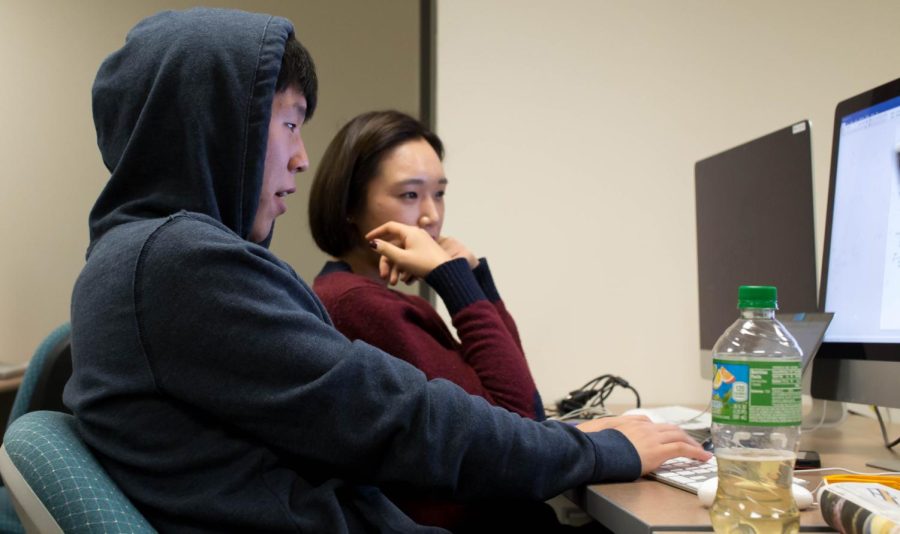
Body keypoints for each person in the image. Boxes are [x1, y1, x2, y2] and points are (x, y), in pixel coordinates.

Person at [66, 7, 710, 533]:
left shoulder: (137, 257)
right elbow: (405, 417)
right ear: (210, 124)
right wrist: (599, 449)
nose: (300, 158)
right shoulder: (179, 262)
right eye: (288, 124)